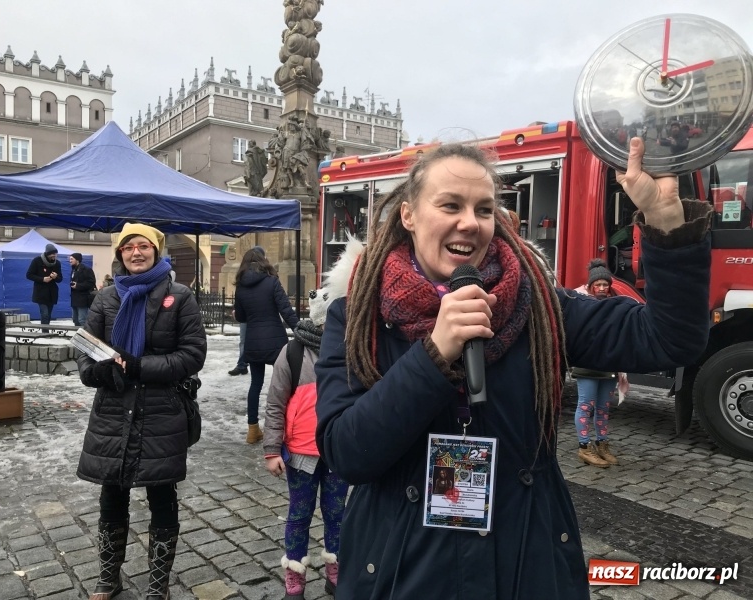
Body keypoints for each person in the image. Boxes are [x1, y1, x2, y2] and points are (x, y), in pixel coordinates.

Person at [314, 139, 712, 599]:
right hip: (402, 567)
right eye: (450, 205)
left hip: (525, 561)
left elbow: (670, 338)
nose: (469, 222)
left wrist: (667, 226)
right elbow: (347, 453)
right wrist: (434, 354)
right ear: (408, 216)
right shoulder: (359, 316)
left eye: (484, 209)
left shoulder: (540, 306)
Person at [76, 223, 207, 600]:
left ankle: (157, 585)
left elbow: (192, 355)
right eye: (129, 247)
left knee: (162, 498)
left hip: (161, 413)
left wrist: (138, 367)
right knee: (111, 496)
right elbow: (86, 351)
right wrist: (98, 370)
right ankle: (108, 577)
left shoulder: (180, 296)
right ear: (120, 254)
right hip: (113, 411)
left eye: (144, 246)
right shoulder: (105, 297)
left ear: (157, 250)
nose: (136, 253)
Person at [263, 283, 349, 599]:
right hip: (301, 454)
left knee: (337, 515)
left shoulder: (350, 349)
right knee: (299, 516)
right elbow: (275, 402)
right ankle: (295, 577)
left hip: (338, 450)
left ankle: (335, 570)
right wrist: (272, 449)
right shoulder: (294, 352)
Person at [234, 248, 298, 444]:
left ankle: (253, 430)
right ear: (264, 261)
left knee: (255, 384)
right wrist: (300, 330)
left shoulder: (241, 287)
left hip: (253, 342)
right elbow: (285, 309)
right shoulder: (272, 281)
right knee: (285, 384)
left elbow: (241, 317)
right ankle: (286, 428)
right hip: (276, 342)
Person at [571, 259, 620, 468]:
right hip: (587, 363)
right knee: (586, 405)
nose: (601, 288)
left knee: (603, 407)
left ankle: (601, 443)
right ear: (591, 285)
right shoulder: (580, 303)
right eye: (597, 284)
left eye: (605, 284)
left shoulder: (614, 303)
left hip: (609, 363)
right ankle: (584, 447)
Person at [229, 246, 266, 377]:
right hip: (246, 312)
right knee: (243, 341)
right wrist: (237, 308)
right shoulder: (244, 275)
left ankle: (244, 364)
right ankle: (242, 365)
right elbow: (240, 295)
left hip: (256, 313)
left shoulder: (265, 275)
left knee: (252, 341)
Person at [26, 243, 62, 331]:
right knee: (44, 314)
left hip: (52, 293)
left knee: (48, 314)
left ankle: (46, 331)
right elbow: (29, 275)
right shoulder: (37, 261)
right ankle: (44, 333)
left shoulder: (57, 263)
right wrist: (42, 279)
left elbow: (60, 279)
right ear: (47, 254)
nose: (54, 256)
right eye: (52, 254)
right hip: (40, 292)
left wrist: (55, 277)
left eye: (55, 254)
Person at [69, 252, 96, 327]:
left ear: (77, 260)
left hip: (83, 298)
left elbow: (91, 283)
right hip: (74, 298)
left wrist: (78, 286)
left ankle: (84, 336)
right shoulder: (73, 270)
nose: (70, 261)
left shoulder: (86, 270)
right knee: (75, 319)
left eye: (71, 259)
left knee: (82, 319)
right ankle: (77, 335)